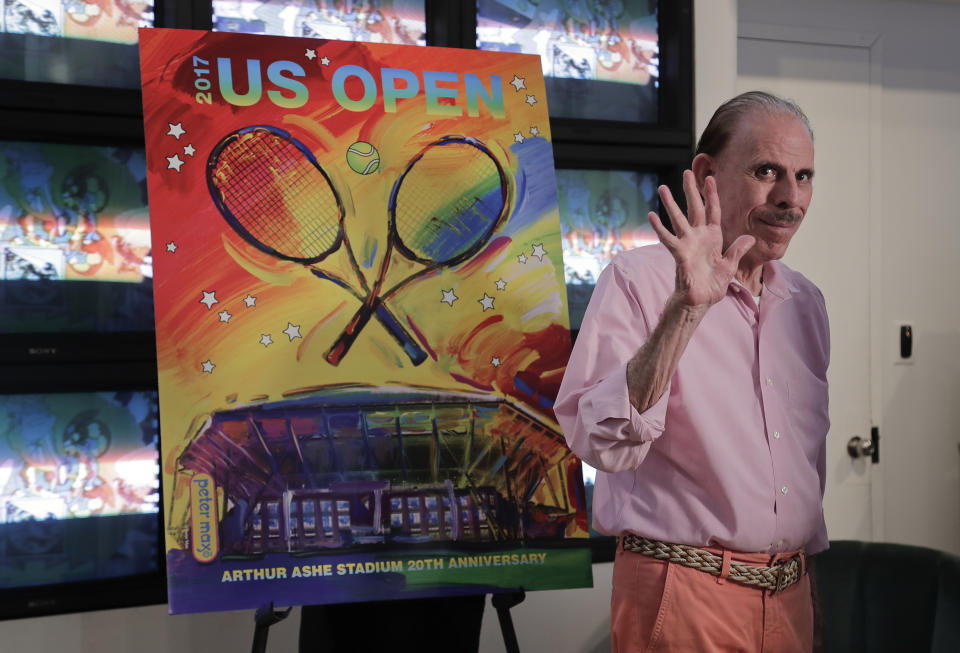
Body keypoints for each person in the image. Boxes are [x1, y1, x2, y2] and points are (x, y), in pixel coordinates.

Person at [555, 91, 829, 652]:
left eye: (803, 177)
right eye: (767, 171)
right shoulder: (640, 281)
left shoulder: (806, 302)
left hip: (792, 595)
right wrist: (686, 311)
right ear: (706, 172)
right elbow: (599, 443)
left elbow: (802, 467)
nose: (790, 198)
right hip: (684, 592)